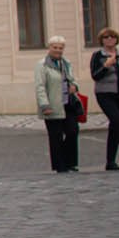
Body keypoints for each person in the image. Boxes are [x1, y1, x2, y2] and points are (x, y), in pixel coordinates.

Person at [88, 28, 119, 171]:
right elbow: (95, 76)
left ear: (116, 39)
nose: (109, 39)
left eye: (112, 37)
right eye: (106, 37)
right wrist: (106, 66)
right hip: (105, 93)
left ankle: (110, 162)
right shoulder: (98, 55)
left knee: (115, 127)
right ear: (101, 40)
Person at [34, 36, 81, 173]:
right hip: (52, 105)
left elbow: (73, 79)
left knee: (73, 131)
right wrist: (44, 105)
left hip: (68, 103)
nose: (58, 50)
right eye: (55, 47)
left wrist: (75, 86)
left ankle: (70, 162)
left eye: (60, 48)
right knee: (56, 137)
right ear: (49, 48)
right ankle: (60, 165)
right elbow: (40, 86)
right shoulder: (42, 65)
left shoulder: (66, 63)